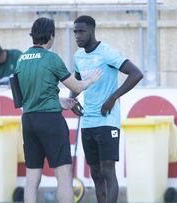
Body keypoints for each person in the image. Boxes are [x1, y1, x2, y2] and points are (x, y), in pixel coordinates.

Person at [15, 17, 102, 203]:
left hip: (28, 120)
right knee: (63, 174)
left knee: (32, 177)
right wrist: (90, 80)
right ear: (51, 36)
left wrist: (58, 101)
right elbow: (77, 87)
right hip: (50, 122)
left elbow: (21, 98)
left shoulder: (21, 59)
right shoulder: (51, 58)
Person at [70, 15, 144, 203]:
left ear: (92, 31)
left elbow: (136, 74)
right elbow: (77, 84)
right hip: (88, 121)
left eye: (81, 31)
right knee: (95, 173)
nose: (77, 36)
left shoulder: (107, 52)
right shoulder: (78, 57)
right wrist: (73, 100)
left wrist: (113, 98)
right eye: (75, 32)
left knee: (107, 170)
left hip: (107, 120)